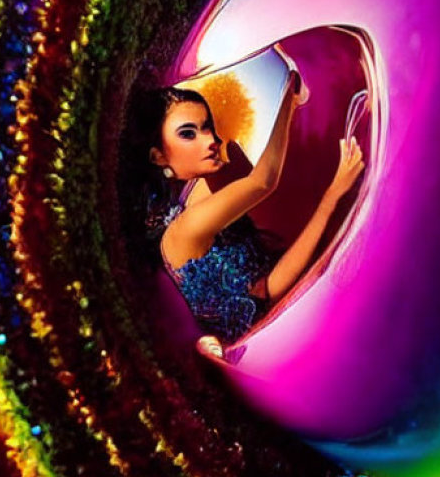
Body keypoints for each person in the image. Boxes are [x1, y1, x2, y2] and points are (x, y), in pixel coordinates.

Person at [140, 68, 364, 360]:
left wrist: (332, 199)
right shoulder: (186, 227)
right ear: (158, 156)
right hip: (270, 350)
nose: (209, 140)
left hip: (281, 322)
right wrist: (288, 98)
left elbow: (267, 286)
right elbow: (263, 181)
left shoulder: (199, 193)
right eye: (187, 134)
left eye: (207, 127)